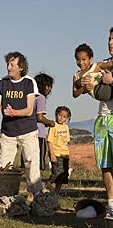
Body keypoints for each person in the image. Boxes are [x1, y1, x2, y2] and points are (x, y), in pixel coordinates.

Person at [0, 51, 43, 197]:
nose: (9, 67)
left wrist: (14, 112)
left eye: (12, 64)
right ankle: (4, 196)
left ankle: (37, 196)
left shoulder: (29, 82)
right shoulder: (2, 83)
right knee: (3, 166)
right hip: (8, 133)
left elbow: (29, 109)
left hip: (28, 131)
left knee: (31, 165)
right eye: (8, 64)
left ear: (21, 67)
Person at [73, 27, 113, 216]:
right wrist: (86, 84)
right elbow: (78, 89)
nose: (111, 43)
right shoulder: (101, 65)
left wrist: (110, 80)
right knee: (106, 164)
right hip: (103, 119)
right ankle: (111, 205)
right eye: (109, 39)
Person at [21, 73, 55, 171]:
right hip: (39, 133)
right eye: (48, 86)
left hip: (27, 131)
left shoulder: (29, 97)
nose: (49, 89)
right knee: (38, 159)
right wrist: (50, 123)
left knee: (26, 157)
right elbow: (40, 117)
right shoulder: (41, 98)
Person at [45, 106, 71, 195]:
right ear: (56, 115)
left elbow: (66, 142)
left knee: (63, 175)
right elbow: (49, 141)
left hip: (65, 154)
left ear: (67, 118)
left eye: (64, 117)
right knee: (55, 174)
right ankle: (45, 189)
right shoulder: (53, 126)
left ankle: (56, 194)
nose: (61, 118)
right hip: (56, 153)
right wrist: (52, 154)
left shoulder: (66, 127)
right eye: (60, 115)